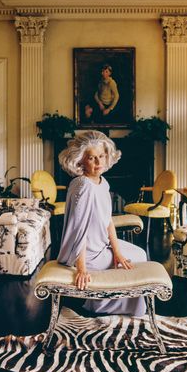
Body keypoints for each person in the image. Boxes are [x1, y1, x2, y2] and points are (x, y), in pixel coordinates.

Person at [57, 130, 147, 316]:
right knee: (137, 261)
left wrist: (118, 253)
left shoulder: (102, 183)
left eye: (101, 156)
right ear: (80, 160)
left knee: (139, 253)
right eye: (91, 158)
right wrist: (81, 269)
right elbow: (77, 232)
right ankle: (103, 305)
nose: (98, 162)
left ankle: (105, 302)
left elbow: (108, 222)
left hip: (101, 246)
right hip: (86, 254)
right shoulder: (83, 186)